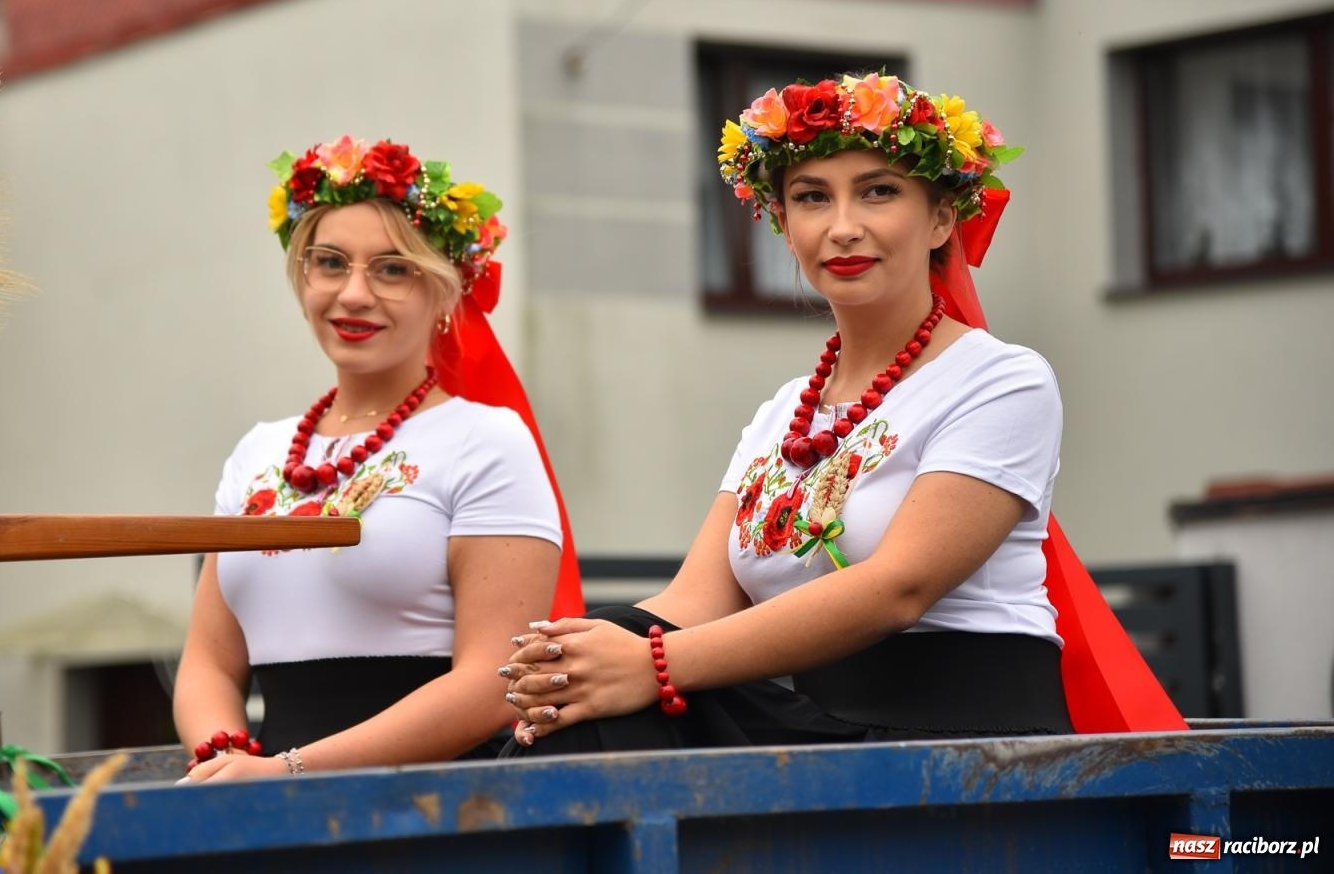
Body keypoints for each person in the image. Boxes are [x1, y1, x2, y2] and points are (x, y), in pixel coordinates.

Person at [501, 73, 1176, 752]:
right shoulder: (781, 414)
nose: (843, 227)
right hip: (822, 728)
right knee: (604, 647)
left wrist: (650, 666)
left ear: (943, 218)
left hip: (962, 739)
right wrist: (568, 653)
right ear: (784, 225)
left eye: (878, 191)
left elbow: (897, 588)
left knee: (622, 690)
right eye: (812, 198)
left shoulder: (1001, 380)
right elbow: (692, 605)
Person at [178, 136, 583, 781]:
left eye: (393, 269)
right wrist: (225, 760)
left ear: (446, 292)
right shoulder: (257, 451)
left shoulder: (485, 440)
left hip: (430, 801)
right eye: (330, 263)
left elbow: (491, 680)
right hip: (259, 799)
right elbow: (207, 663)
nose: (354, 293)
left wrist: (290, 773)